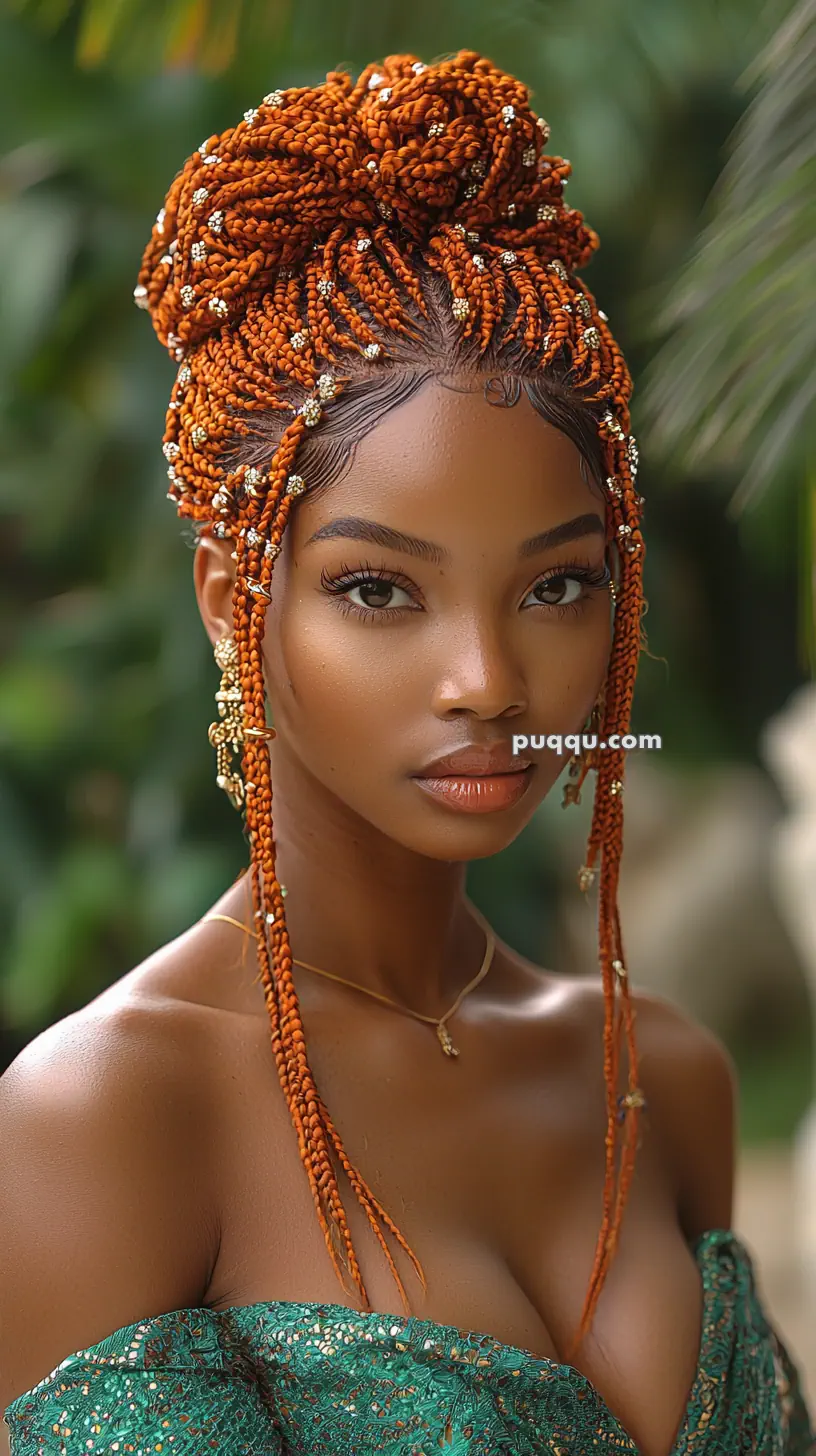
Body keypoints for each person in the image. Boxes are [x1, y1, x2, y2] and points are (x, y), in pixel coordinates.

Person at [0, 49, 812, 1456]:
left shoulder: (665, 1079)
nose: (488, 680)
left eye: (555, 587)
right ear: (230, 600)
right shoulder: (114, 1115)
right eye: (381, 590)